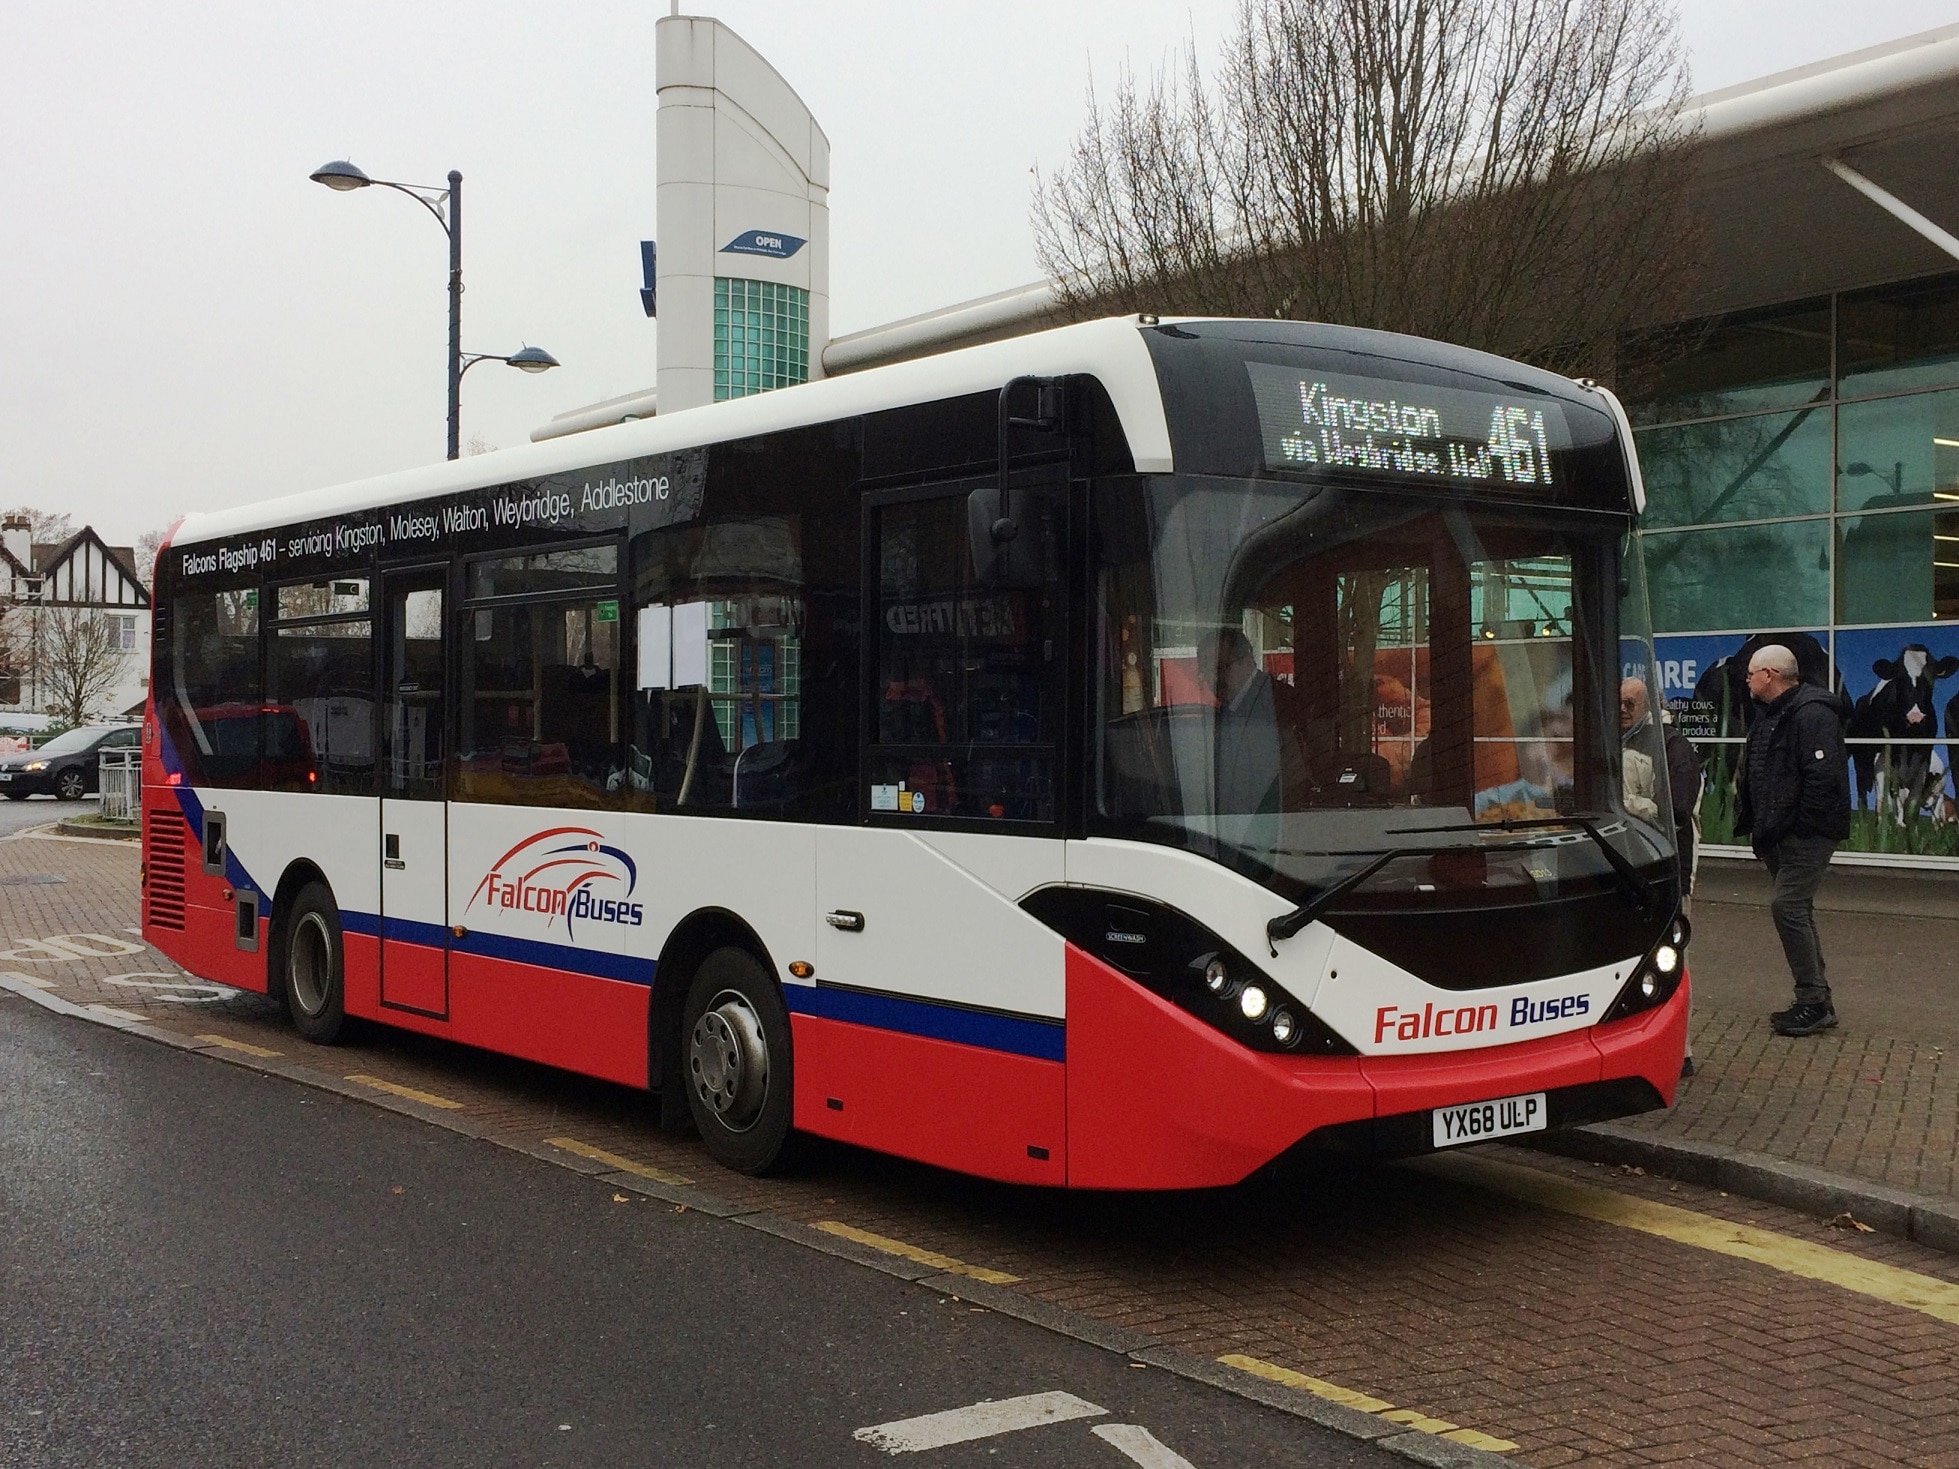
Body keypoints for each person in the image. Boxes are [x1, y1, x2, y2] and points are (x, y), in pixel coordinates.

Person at [1734, 643, 1850, 1037]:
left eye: (1751, 673)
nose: (1746, 680)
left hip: (1805, 834)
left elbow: (1823, 777)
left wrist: (1798, 827)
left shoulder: (1812, 714)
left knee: (1788, 907)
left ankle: (1813, 1002)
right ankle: (1817, 998)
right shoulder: (1770, 715)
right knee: (1797, 909)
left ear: (1770, 675)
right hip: (1778, 834)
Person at [1200, 627, 1282, 848]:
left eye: (1220, 669)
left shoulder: (1276, 704)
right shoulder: (1226, 710)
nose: (1213, 680)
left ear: (1246, 660)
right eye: (1206, 671)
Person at [1619, 678, 1662, 823]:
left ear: (1646, 707)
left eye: (1629, 704)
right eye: (1618, 703)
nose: (1622, 709)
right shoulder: (1616, 737)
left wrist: (1621, 803)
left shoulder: (1662, 740)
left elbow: (1664, 810)